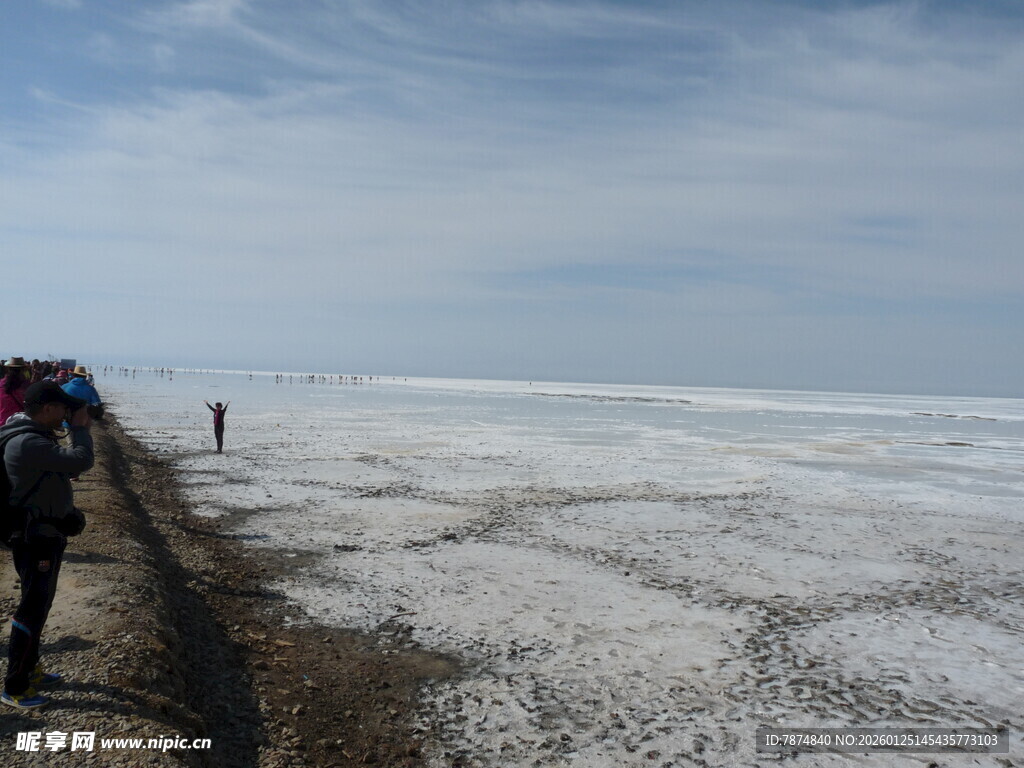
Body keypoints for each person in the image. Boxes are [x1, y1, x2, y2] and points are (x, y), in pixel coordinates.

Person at [1, 381, 92, 709]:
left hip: (42, 533)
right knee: (32, 607)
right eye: (63, 408)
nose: (67, 412)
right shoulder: (27, 441)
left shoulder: (31, 435)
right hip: (34, 538)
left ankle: (30, 669)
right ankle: (15, 686)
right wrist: (79, 428)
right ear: (48, 408)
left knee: (40, 604)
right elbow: (80, 460)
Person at [0, 357, 31, 425]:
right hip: (20, 424)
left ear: (8, 369)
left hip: (3, 423)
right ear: (23, 370)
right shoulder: (25, 385)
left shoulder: (1, 384)